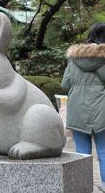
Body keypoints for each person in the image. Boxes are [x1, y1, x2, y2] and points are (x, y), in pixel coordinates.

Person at [61, 23, 105, 189]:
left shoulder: (74, 58)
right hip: (102, 109)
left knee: (81, 151)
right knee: (104, 150)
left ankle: (82, 185)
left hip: (77, 108)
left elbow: (65, 84)